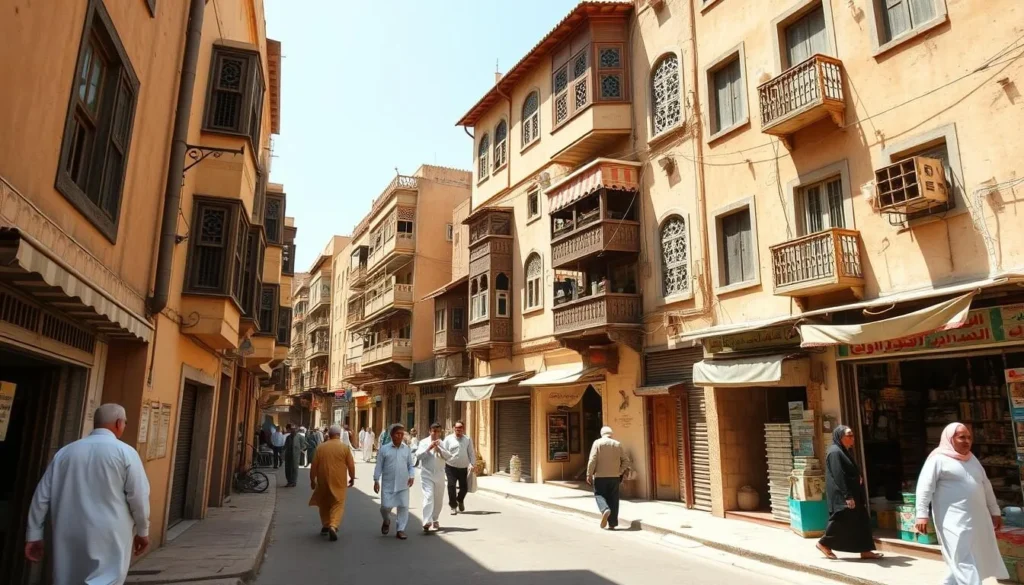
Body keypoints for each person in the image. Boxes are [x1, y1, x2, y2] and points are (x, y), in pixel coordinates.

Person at [25, 404, 151, 585]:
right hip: (110, 534)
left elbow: (42, 496)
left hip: (67, 531)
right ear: (118, 423)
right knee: (106, 579)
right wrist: (142, 530)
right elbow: (138, 496)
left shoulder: (65, 453)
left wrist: (34, 534)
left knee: (67, 578)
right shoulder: (126, 453)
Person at [916, 422, 1008, 585]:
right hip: (952, 521)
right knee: (963, 559)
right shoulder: (938, 459)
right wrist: (922, 515)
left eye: (969, 438)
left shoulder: (972, 460)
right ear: (950, 439)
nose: (967, 441)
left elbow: (986, 485)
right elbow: (924, 488)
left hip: (977, 520)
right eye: (961, 437)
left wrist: (995, 511)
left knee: (967, 558)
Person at [816, 426, 883, 560]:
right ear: (840, 437)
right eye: (849, 435)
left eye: (853, 435)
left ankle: (865, 550)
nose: (853, 438)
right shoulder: (835, 452)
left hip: (852, 493)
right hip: (842, 496)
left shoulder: (843, 451)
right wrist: (847, 496)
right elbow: (839, 476)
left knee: (861, 521)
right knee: (840, 519)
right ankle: (823, 543)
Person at [309, 425, 356, 542]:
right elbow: (351, 465)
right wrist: (352, 477)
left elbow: (314, 465)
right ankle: (333, 526)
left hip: (323, 480)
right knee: (338, 503)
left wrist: (312, 480)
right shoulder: (344, 448)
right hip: (339, 480)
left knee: (324, 503)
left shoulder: (321, 447)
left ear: (328, 435)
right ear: (339, 435)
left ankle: (326, 524)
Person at [373, 423, 415, 540]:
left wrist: (412, 476)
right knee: (385, 507)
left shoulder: (406, 449)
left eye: (402, 434)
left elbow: (410, 465)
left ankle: (400, 529)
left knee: (403, 507)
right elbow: (379, 466)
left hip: (403, 483)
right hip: (388, 484)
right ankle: (386, 520)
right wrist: (376, 480)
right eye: (397, 434)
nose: (400, 436)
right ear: (391, 435)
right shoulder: (384, 449)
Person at [586, 426, 628, 530]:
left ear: (601, 433)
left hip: (600, 476)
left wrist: (589, 474)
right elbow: (626, 461)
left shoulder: (597, 443)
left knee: (599, 494)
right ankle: (612, 524)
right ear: (611, 434)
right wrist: (619, 471)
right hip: (614, 477)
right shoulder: (617, 444)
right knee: (613, 499)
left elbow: (592, 460)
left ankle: (604, 509)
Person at [416, 422, 451, 532]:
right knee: (429, 496)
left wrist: (439, 450)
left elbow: (449, 457)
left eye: (438, 432)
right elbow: (418, 456)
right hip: (427, 474)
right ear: (429, 431)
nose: (436, 434)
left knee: (438, 498)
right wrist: (429, 448)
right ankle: (426, 521)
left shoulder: (442, 443)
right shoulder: (423, 442)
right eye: (434, 431)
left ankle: (435, 518)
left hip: (440, 474)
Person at [442, 420, 476, 515]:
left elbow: (471, 453)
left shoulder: (467, 439)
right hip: (450, 467)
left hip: (463, 468)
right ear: (454, 428)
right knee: (451, 486)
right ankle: (453, 506)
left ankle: (459, 500)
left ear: (463, 429)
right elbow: (443, 452)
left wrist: (472, 464)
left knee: (464, 488)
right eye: (457, 428)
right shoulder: (448, 439)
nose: (458, 429)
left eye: (460, 428)